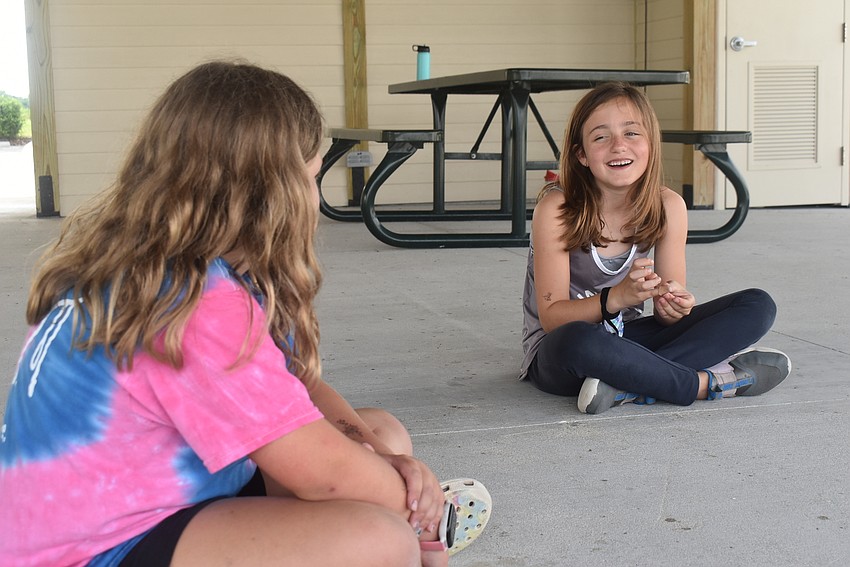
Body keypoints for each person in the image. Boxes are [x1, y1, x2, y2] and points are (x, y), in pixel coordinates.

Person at [0, 61, 491, 567]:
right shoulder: (192, 301)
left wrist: (388, 463)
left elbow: (299, 386)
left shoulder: (175, 262)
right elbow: (324, 475)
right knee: (378, 540)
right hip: (93, 549)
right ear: (265, 193)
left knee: (381, 434)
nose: (314, 198)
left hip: (157, 496)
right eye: (310, 178)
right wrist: (423, 517)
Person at [520, 81, 791, 415]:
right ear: (582, 154)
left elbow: (667, 314)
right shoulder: (557, 208)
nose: (619, 146)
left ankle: (624, 383)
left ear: (650, 143)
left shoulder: (668, 206)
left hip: (628, 340)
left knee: (757, 304)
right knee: (577, 340)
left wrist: (674, 305)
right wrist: (616, 298)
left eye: (632, 133)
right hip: (563, 353)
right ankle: (701, 384)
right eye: (601, 137)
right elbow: (552, 320)